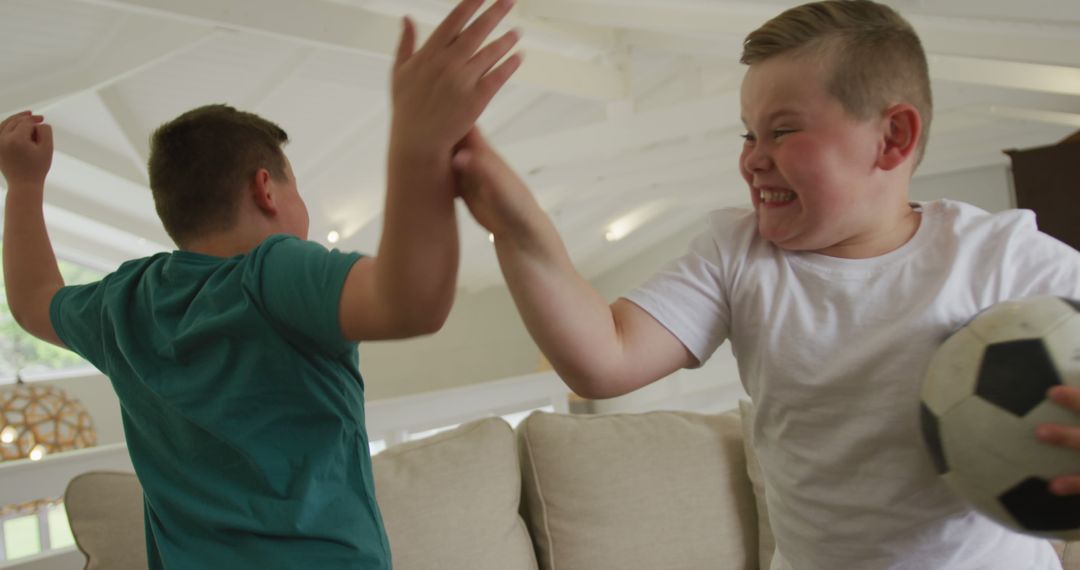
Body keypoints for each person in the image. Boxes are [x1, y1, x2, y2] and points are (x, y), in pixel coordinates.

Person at [449, 1, 1080, 568]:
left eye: (782, 130)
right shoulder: (738, 254)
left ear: (893, 138)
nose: (752, 157)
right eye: (749, 133)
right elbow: (602, 357)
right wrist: (518, 228)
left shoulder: (997, 256)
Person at [0, 0, 521, 567]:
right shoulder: (277, 272)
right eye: (297, 187)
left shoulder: (125, 301)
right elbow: (413, 304)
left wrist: (25, 185)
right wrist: (420, 144)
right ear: (266, 189)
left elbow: (31, 304)